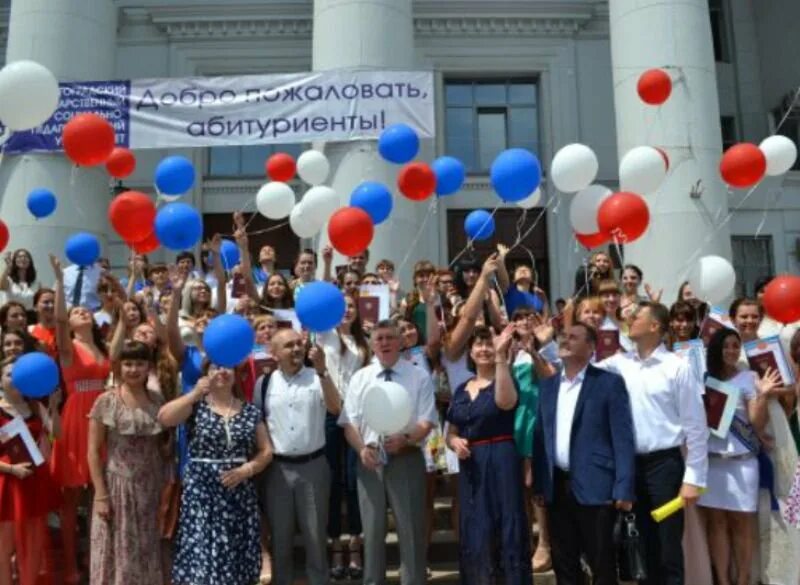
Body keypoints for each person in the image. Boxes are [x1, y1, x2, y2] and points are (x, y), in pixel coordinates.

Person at [599, 301, 707, 585]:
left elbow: (696, 428)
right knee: (639, 545)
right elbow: (579, 368)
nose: (630, 319)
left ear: (655, 326)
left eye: (637, 316)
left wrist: (693, 478)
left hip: (665, 466)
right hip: (629, 467)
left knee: (667, 546)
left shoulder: (677, 367)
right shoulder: (618, 364)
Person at [533, 323, 636, 585]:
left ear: (591, 347)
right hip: (557, 486)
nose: (565, 341)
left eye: (573, 337)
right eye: (563, 337)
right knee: (564, 564)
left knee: (601, 564)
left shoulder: (608, 384)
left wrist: (624, 486)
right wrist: (539, 483)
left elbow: (622, 439)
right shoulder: (547, 386)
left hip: (596, 486)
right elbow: (540, 437)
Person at [340, 320, 438, 585]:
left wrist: (406, 439)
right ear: (372, 343)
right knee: (372, 533)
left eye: (390, 338)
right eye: (379, 338)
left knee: (410, 531)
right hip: (369, 461)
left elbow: (427, 421)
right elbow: (349, 423)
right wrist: (361, 449)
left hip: (406, 458)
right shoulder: (360, 378)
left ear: (401, 342)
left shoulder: (418, 375)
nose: (384, 343)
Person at [159, 361, 272, 585]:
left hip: (238, 493)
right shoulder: (196, 407)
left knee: (235, 554)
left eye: (227, 367)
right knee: (202, 552)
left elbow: (266, 450)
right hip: (202, 494)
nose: (221, 372)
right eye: (215, 368)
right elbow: (164, 418)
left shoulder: (250, 411)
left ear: (235, 374)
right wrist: (194, 394)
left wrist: (246, 470)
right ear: (205, 375)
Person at [445, 325, 532, 585]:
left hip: (502, 458)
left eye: (488, 344)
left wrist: (501, 359)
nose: (484, 349)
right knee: (476, 529)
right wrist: (453, 442)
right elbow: (451, 430)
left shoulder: (505, 377)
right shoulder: (461, 389)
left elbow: (505, 403)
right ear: (470, 352)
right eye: (478, 345)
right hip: (472, 464)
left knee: (507, 525)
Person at [255, 329, 342, 585]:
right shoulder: (265, 383)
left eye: (298, 344)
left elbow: (336, 408)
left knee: (315, 538)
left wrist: (323, 371)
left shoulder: (318, 377)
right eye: (288, 345)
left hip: (313, 466)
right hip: (277, 471)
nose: (296, 349)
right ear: (274, 353)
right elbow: (258, 424)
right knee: (281, 539)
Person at [49, 254, 111, 584]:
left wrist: (124, 284)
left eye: (84, 309)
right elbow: (58, 322)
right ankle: (72, 566)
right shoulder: (68, 346)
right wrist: (59, 281)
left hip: (103, 418)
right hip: (77, 419)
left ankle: (96, 559)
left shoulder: (102, 346)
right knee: (72, 499)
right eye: (75, 311)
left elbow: (123, 324)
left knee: (99, 495)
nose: (80, 312)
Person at [697, 328, 775, 585]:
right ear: (716, 349)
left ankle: (743, 580)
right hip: (713, 462)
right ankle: (722, 579)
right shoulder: (702, 378)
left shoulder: (749, 377)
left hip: (742, 463)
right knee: (716, 523)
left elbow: (757, 423)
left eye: (735, 346)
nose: (731, 351)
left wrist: (762, 395)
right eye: (726, 346)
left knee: (742, 524)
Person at [87, 341, 168, 585]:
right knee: (116, 549)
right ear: (119, 367)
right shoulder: (106, 401)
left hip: (151, 488)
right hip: (117, 487)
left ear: (149, 367)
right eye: (128, 364)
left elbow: (163, 445)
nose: (133, 369)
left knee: (147, 545)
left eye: (140, 364)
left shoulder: (157, 400)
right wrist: (101, 494)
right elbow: (92, 451)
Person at [316, 295, 370, 579]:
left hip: (356, 416)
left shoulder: (364, 342)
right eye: (342, 306)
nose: (347, 310)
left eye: (351, 306)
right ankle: (336, 544)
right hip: (328, 413)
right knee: (334, 481)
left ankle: (356, 544)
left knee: (353, 481)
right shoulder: (322, 335)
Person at [0, 357, 61, 585]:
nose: (14, 379)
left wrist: (54, 406)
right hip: (7, 485)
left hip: (35, 481)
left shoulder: (36, 405)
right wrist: (11, 469)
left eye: (17, 373)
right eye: (8, 375)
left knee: (34, 545)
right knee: (4, 549)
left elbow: (57, 434)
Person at [29, 288, 58, 357]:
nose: (51, 306)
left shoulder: (65, 331)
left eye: (54, 302)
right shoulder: (29, 331)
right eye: (46, 302)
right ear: (35, 307)